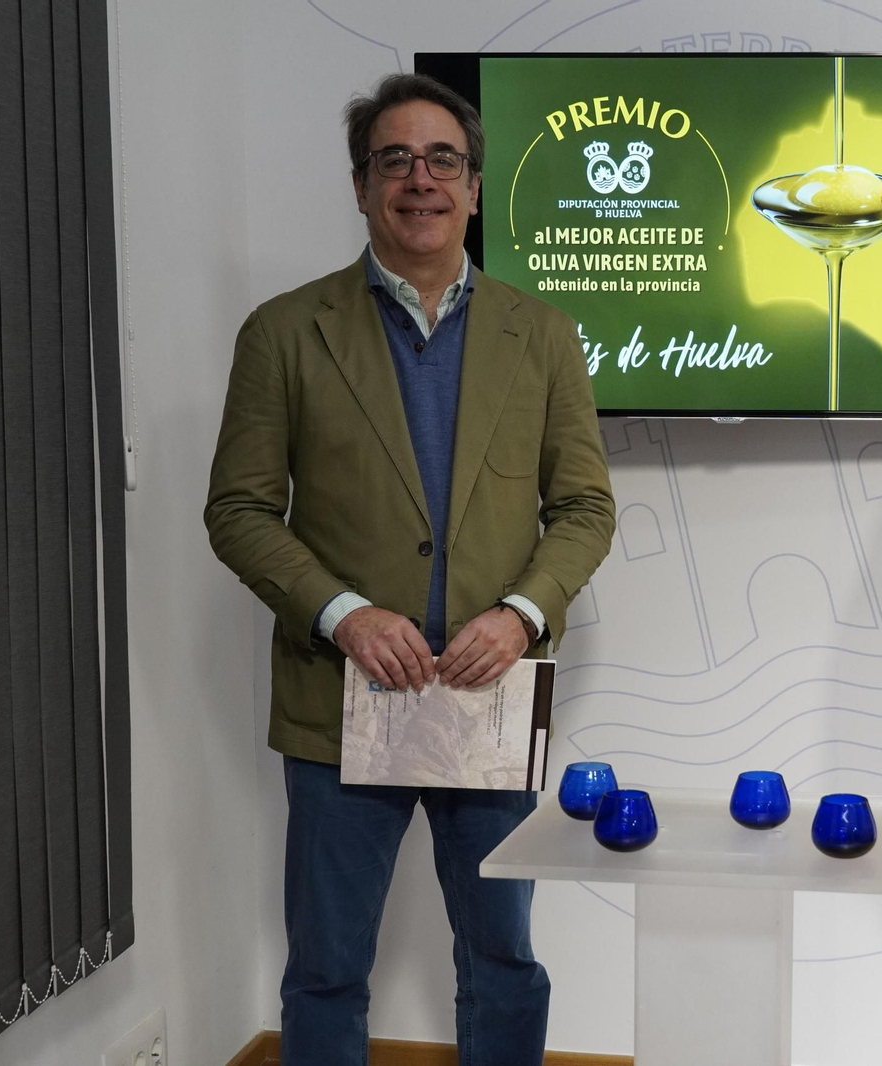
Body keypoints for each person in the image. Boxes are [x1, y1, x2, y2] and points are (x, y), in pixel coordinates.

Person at [203, 73, 616, 1066]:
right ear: (360, 186)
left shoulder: (544, 335)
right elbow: (239, 510)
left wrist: (518, 615)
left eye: (442, 160)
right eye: (394, 159)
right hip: (342, 698)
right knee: (328, 966)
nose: (419, 179)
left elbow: (585, 508)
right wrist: (341, 613)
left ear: (474, 188)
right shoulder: (284, 333)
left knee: (504, 957)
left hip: (489, 698)